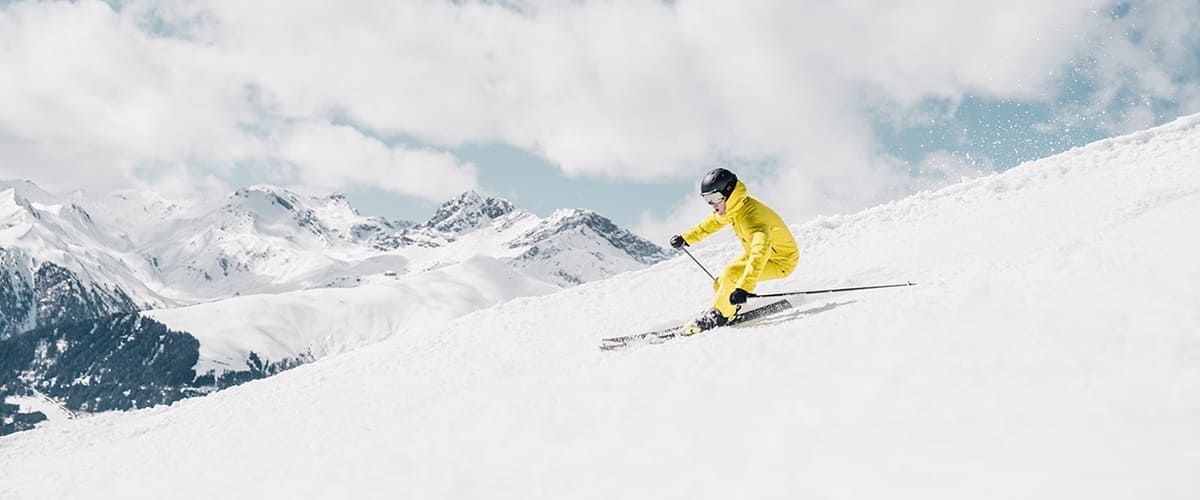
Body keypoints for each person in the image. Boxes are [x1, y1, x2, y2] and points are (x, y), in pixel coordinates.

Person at [670, 168, 799, 335]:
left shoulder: (752, 217)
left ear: (729, 192)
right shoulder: (735, 207)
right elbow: (711, 223)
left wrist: (745, 288)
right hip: (759, 253)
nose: (712, 205)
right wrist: (686, 238)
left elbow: (760, 253)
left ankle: (719, 315)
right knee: (721, 281)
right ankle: (728, 309)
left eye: (715, 198)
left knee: (732, 274)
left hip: (781, 261)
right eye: (708, 199)